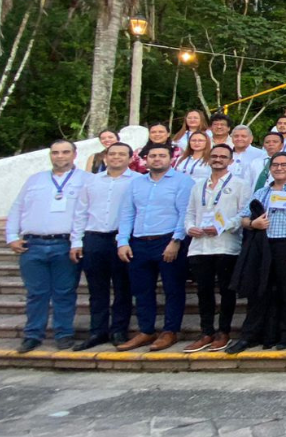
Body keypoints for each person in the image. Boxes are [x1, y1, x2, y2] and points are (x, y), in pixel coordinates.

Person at [7, 140, 89, 353]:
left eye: (65, 152)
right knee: (36, 293)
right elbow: (17, 207)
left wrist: (78, 242)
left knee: (64, 292)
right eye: (55, 153)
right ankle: (33, 335)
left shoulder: (86, 180)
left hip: (65, 244)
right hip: (32, 244)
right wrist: (11, 236)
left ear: (74, 154)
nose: (60, 156)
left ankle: (63, 334)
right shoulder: (35, 180)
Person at [225, 152, 286, 354]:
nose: (279, 168)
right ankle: (253, 335)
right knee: (258, 291)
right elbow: (243, 218)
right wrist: (253, 223)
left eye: (284, 165)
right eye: (275, 165)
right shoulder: (261, 192)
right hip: (262, 245)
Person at [116, 144, 195, 352]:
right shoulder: (136, 183)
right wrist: (123, 241)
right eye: (153, 156)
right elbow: (127, 213)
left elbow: (185, 212)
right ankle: (146, 330)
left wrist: (176, 240)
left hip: (168, 240)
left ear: (171, 159)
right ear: (146, 159)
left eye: (162, 156)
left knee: (173, 288)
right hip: (139, 241)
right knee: (141, 290)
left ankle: (170, 330)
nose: (157, 159)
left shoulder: (182, 182)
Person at [182, 144, 250, 353]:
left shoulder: (240, 185)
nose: (218, 159)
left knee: (226, 292)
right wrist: (189, 228)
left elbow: (243, 215)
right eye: (214, 156)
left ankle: (223, 331)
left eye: (223, 157)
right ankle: (206, 332)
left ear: (231, 161)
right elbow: (190, 212)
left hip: (226, 245)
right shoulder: (198, 185)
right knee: (203, 292)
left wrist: (223, 226)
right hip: (200, 246)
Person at [70, 141, 137, 350]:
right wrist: (76, 241)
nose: (116, 157)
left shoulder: (138, 181)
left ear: (130, 158)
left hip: (123, 240)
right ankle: (97, 331)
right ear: (105, 157)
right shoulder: (91, 182)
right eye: (112, 154)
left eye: (121, 154)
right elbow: (80, 212)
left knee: (122, 288)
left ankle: (119, 330)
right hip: (94, 238)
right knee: (97, 289)